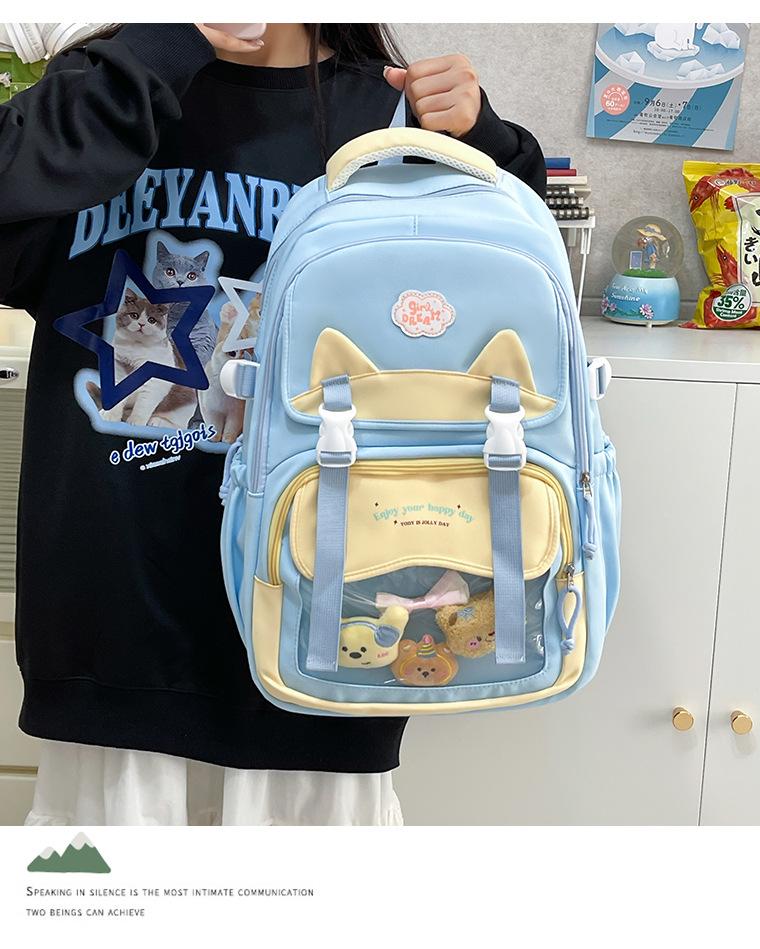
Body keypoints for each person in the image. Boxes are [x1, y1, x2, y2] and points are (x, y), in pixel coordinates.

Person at [0, 23, 546, 826]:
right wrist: (152, 46)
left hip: (324, 617)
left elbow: (507, 307)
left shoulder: (389, 116)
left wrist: (487, 144)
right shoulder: (112, 86)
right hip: (112, 619)